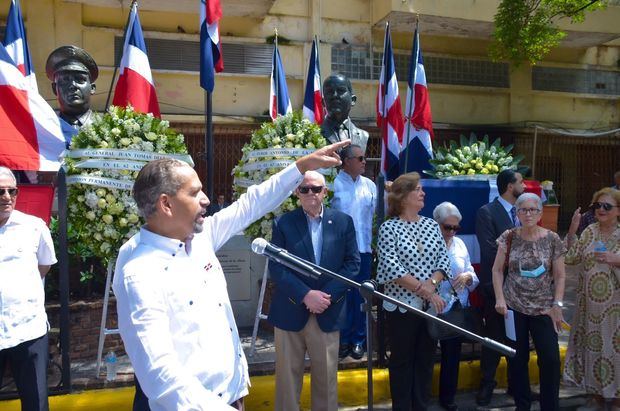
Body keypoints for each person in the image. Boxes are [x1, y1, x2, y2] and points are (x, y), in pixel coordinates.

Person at [112, 140, 350, 411]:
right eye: (194, 193)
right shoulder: (140, 270)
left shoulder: (202, 238)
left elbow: (251, 203)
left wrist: (301, 166)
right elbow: (159, 375)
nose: (206, 200)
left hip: (230, 396)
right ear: (166, 204)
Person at [268, 170, 360, 411]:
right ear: (297, 192)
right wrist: (306, 295)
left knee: (326, 383)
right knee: (287, 383)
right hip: (290, 310)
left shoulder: (343, 222)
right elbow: (276, 267)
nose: (310, 193)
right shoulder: (283, 223)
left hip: (327, 312)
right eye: (305, 189)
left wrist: (325, 297)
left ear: (325, 192)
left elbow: (352, 265)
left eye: (316, 189)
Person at [376, 172, 450, 411]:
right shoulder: (389, 228)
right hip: (402, 308)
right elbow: (390, 267)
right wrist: (426, 290)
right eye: (417, 189)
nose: (423, 193)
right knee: (402, 362)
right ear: (403, 196)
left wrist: (432, 285)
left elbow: (443, 260)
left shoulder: (431, 225)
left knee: (425, 362)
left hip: (428, 308)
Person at [493, 193, 566, 411]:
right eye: (523, 209)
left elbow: (561, 275)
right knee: (517, 359)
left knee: (551, 359)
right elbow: (497, 270)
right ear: (517, 213)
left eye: (533, 209)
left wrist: (558, 305)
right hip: (514, 307)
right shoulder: (509, 236)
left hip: (544, 308)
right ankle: (522, 405)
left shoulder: (552, 239)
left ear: (541, 212)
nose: (528, 213)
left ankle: (549, 406)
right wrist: (500, 298)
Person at [0, 167, 57, 411]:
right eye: (0, 191)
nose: (7, 197)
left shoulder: (34, 227)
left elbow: (43, 266)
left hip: (28, 329)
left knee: (36, 404)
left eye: (12, 191)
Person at [564, 188, 620, 411]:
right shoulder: (589, 232)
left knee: (615, 352)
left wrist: (616, 259)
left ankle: (616, 400)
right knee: (592, 350)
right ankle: (595, 397)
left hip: (615, 309)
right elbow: (571, 258)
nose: (601, 210)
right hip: (588, 307)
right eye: (598, 206)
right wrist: (572, 230)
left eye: (607, 206)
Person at [474, 168, 524, 405]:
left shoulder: (524, 213)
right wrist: (522, 258)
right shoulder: (487, 212)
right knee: (494, 338)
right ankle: (487, 385)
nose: (523, 186)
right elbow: (489, 249)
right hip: (496, 287)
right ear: (509, 186)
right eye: (520, 182)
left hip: (523, 289)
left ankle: (517, 386)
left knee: (519, 339)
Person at [433, 202, 479, 411]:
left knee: (452, 355)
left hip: (455, 308)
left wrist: (468, 277)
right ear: (437, 224)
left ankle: (448, 398)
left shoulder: (460, 244)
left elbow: (470, 270)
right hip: (433, 306)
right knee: (426, 354)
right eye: (447, 227)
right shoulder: (427, 243)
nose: (452, 232)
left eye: (455, 228)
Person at [331, 144, 376, 360]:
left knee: (361, 296)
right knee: (341, 296)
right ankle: (342, 339)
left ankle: (359, 340)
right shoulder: (333, 184)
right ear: (347, 161)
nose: (364, 162)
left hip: (364, 249)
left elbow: (377, 216)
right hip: (339, 252)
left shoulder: (370, 185)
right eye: (360, 158)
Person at [45, 45, 98, 144]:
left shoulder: (110, 127)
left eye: (80, 79)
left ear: (92, 88)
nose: (72, 85)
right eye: (65, 80)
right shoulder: (45, 128)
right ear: (54, 88)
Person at [321, 74, 370, 154]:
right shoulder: (312, 135)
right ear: (323, 102)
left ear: (352, 100)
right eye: (329, 92)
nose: (335, 96)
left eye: (341, 91)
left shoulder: (363, 136)